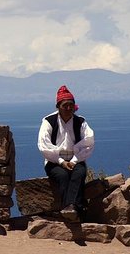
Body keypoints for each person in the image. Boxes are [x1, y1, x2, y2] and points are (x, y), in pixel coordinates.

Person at [37, 85, 95, 221]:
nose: (68, 109)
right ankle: (73, 207)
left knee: (79, 174)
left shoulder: (80, 122)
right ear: (58, 106)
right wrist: (62, 162)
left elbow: (89, 142)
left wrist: (74, 160)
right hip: (54, 161)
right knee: (62, 176)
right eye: (65, 105)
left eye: (71, 105)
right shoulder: (48, 122)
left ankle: (69, 208)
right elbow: (43, 145)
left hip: (76, 159)